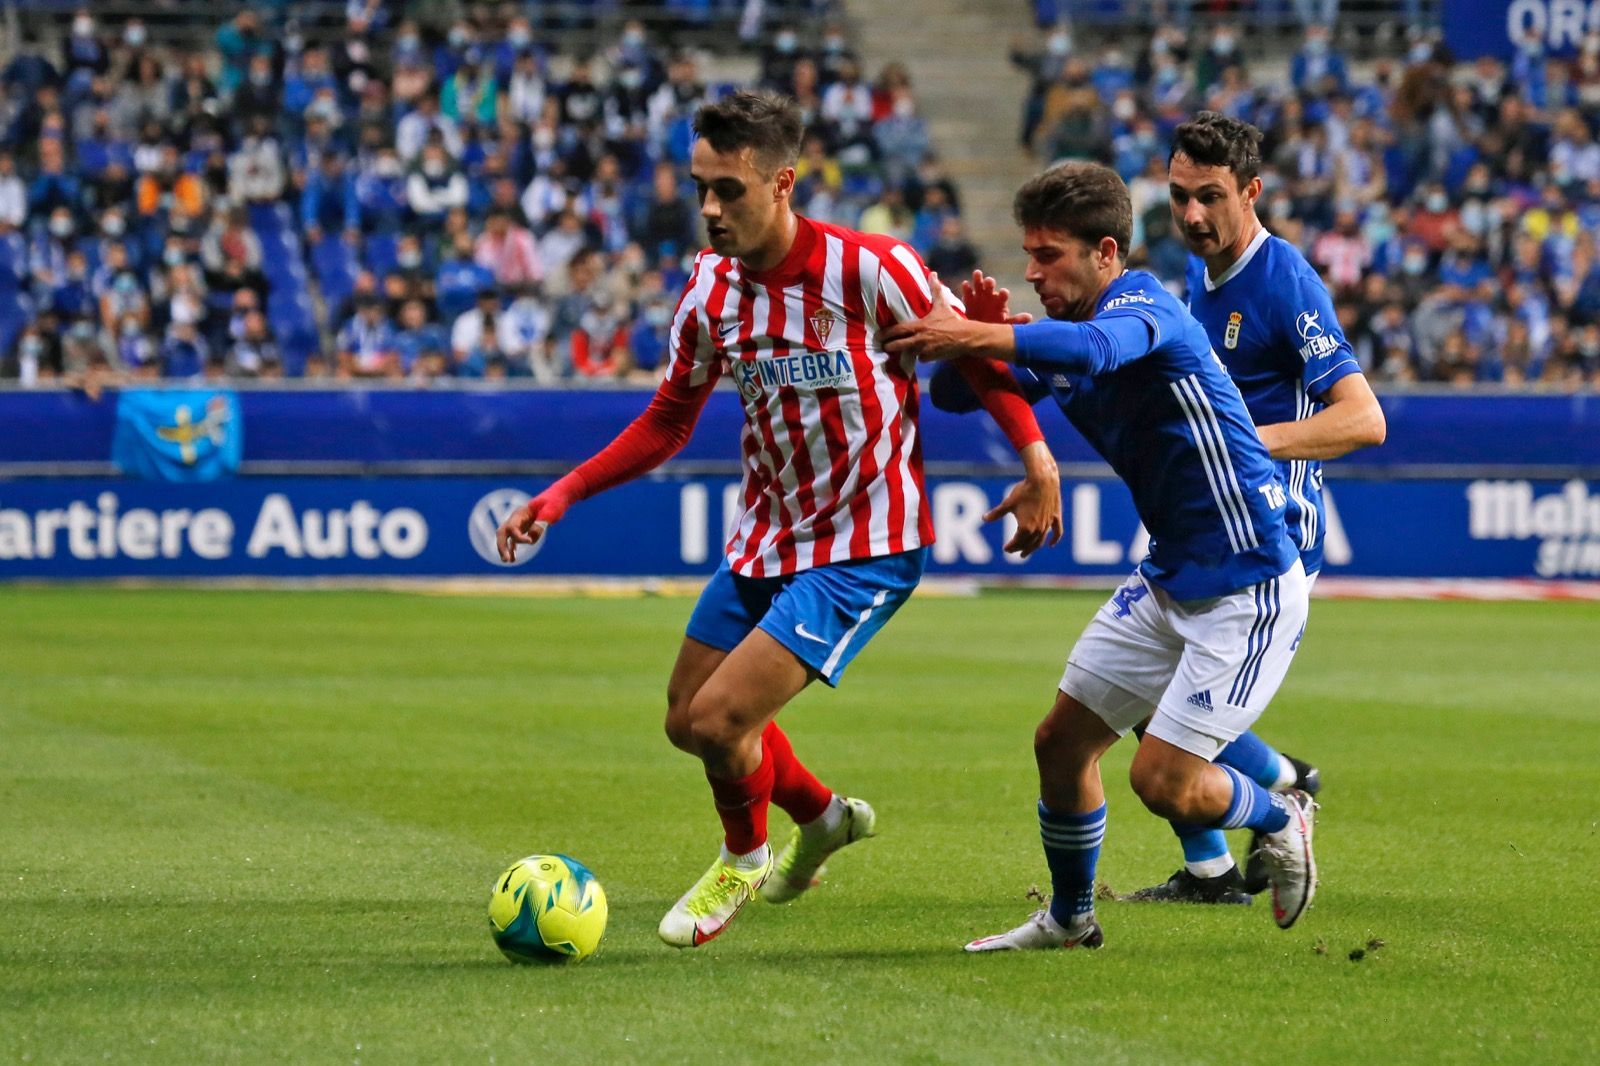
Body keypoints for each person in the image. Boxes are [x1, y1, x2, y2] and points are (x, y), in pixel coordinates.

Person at [495, 91, 1062, 949]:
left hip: (866, 543)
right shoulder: (711, 289)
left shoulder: (874, 269)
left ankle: (745, 854)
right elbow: (668, 419)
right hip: (768, 536)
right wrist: (563, 493)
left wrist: (1037, 458)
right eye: (701, 190)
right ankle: (822, 816)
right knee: (685, 719)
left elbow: (975, 355)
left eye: (729, 190)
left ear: (784, 182)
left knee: (724, 721)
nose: (711, 210)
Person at [886, 161, 1318, 950]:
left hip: (1247, 581)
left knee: (1163, 783)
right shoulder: (1061, 331)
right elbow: (956, 394)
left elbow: (1091, 350)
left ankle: (1278, 812)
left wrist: (976, 333)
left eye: (1049, 255)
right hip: (1170, 578)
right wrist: (980, 338)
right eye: (1029, 254)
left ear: (1107, 252)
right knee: (1061, 741)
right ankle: (1070, 919)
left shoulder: (1142, 305)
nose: (1034, 271)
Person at [1122, 111, 1387, 906]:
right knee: (1141, 698)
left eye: (1210, 197)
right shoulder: (1198, 281)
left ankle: (1276, 800)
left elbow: (1364, 418)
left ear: (1251, 191)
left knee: (1160, 711)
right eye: (1178, 197)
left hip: (1271, 540)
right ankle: (1236, 839)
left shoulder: (1284, 282)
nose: (1192, 215)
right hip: (1210, 528)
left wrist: (1241, 439)